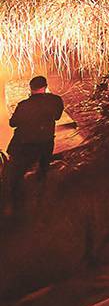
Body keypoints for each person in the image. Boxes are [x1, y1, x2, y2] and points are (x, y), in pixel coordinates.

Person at [6, 75, 65, 215]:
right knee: (43, 169)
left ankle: (14, 205)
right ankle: (41, 194)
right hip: (45, 143)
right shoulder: (55, 100)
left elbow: (12, 123)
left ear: (30, 89)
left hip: (24, 144)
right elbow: (57, 116)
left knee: (14, 174)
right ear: (45, 87)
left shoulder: (23, 105)